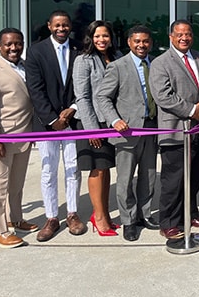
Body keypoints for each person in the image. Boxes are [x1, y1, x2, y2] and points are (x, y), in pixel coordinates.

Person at [25, 10, 87, 242]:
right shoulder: (35, 51)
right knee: (48, 170)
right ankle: (51, 217)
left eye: (66, 25)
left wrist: (72, 109)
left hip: (72, 119)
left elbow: (82, 85)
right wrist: (53, 120)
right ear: (49, 26)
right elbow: (35, 89)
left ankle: (72, 214)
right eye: (57, 25)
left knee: (73, 168)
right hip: (46, 124)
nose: (62, 29)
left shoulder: (79, 48)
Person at [149, 20, 199, 240]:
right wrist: (193, 109)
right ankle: (169, 222)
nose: (184, 38)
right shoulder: (160, 63)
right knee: (173, 180)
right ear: (171, 36)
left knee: (194, 177)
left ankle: (191, 214)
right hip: (175, 130)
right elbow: (163, 96)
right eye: (179, 34)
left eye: (188, 34)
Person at [96, 25, 159, 242]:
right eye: (137, 41)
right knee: (125, 179)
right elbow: (102, 97)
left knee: (149, 175)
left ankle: (145, 213)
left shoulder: (155, 63)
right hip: (127, 131)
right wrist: (114, 120)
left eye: (146, 41)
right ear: (130, 43)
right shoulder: (118, 66)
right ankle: (128, 220)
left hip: (152, 126)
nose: (142, 45)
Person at [72, 20, 120, 237]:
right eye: (97, 36)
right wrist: (92, 129)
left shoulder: (117, 57)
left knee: (106, 167)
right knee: (97, 169)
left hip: (111, 121)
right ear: (90, 38)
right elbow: (81, 96)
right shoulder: (83, 60)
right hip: (92, 123)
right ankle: (98, 217)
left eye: (106, 36)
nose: (102, 40)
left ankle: (105, 214)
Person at [0, 28, 36, 248]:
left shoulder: (25, 66)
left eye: (18, 44)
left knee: (17, 183)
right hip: (2, 138)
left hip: (25, 134)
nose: (13, 48)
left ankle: (16, 218)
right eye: (8, 44)